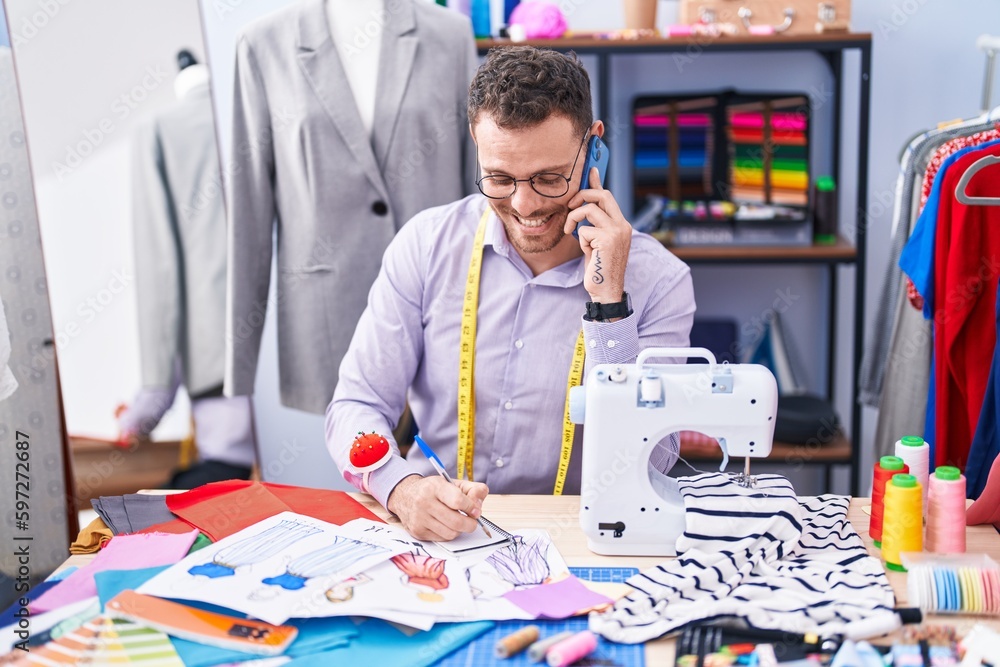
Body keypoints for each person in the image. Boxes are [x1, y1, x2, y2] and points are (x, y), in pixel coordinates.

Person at [327, 46, 696, 541]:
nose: (525, 206)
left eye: (549, 178)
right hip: (437, 537)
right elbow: (356, 404)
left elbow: (656, 457)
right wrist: (402, 489)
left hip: (578, 537)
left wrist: (610, 304)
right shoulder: (426, 245)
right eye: (499, 178)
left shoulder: (661, 281)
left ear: (594, 147)